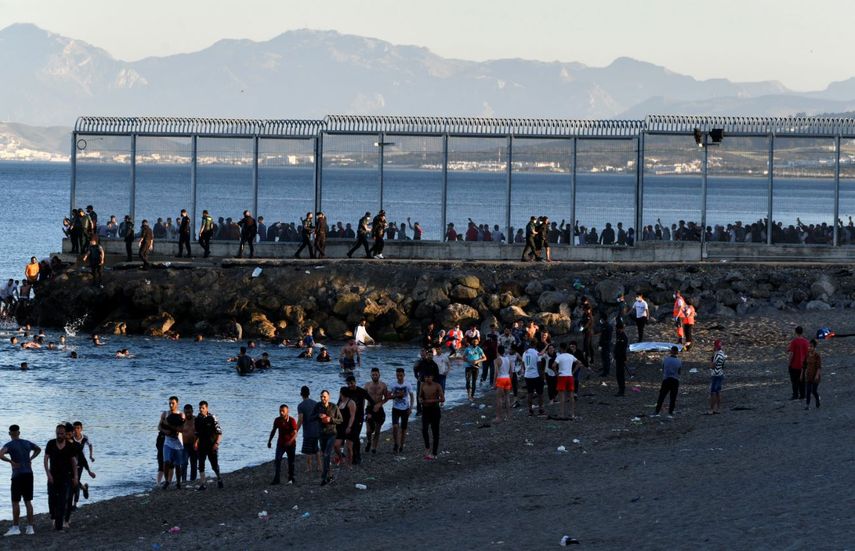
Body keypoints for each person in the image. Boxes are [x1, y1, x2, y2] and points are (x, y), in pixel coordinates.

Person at [0, 425, 41, 536]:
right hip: (28, 474)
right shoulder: (27, 443)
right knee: (28, 501)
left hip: (17, 475)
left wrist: (11, 462)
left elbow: (0, 454)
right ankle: (30, 527)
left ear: (10, 434)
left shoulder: (9, 445)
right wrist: (31, 458)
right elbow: (38, 449)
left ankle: (16, 527)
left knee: (15, 502)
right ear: (19, 432)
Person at [44, 424, 78, 530]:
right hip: (52, 475)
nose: (59, 435)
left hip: (65, 476)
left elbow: (73, 462)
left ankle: (59, 525)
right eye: (58, 433)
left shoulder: (69, 446)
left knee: (63, 500)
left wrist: (75, 476)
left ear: (65, 434)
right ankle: (53, 517)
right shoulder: (51, 444)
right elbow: (45, 459)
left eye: (62, 433)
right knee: (52, 498)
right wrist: (48, 474)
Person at [342, 375, 375, 465]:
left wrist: (369, 412)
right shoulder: (346, 391)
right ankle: (352, 456)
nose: (350, 385)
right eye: (348, 384)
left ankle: (358, 456)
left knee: (355, 436)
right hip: (348, 418)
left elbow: (372, 402)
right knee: (350, 437)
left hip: (359, 417)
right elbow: (340, 402)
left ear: (355, 382)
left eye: (351, 383)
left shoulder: (362, 391)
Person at [315, 390, 342, 486]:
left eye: (324, 396)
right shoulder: (318, 406)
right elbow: (311, 417)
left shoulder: (334, 407)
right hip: (321, 434)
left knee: (326, 454)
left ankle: (324, 477)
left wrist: (330, 419)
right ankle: (330, 475)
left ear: (328, 397)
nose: (323, 398)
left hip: (332, 433)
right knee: (324, 455)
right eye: (321, 396)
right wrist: (318, 416)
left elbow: (340, 420)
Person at [194, 400, 223, 490]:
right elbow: (197, 433)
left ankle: (219, 478)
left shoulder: (212, 417)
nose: (201, 410)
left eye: (203, 408)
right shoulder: (197, 419)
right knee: (201, 464)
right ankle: (203, 484)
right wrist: (195, 442)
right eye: (200, 408)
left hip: (212, 445)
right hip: (202, 445)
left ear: (207, 408)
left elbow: (220, 433)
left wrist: (217, 443)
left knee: (214, 465)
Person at [268, 404, 299, 485]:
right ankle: (277, 479)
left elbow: (296, 433)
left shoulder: (292, 420)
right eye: (280, 411)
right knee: (277, 460)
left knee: (291, 462)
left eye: (283, 411)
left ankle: (291, 478)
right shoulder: (277, 420)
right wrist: (269, 441)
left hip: (291, 444)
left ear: (287, 411)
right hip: (281, 444)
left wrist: (290, 441)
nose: (281, 413)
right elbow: (273, 430)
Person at [158, 397, 185, 489]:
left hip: (178, 444)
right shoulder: (165, 414)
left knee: (178, 465)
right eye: (169, 403)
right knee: (166, 462)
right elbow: (159, 426)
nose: (171, 405)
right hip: (168, 443)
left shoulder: (181, 415)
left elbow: (182, 429)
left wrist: (170, 426)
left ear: (177, 403)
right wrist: (165, 431)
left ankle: (178, 482)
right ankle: (167, 481)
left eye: (173, 403)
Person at [418, 372, 445, 460]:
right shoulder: (422, 385)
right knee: (424, 429)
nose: (427, 379)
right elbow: (420, 396)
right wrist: (421, 399)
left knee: (435, 432)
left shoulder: (437, 385)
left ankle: (434, 453)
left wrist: (431, 401)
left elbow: (442, 399)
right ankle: (427, 447)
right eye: (426, 377)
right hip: (425, 410)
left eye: (429, 376)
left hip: (435, 410)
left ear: (432, 377)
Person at [296, 386, 321, 475]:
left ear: (301, 394)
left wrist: (296, 430)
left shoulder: (301, 406)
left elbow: (300, 420)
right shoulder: (315, 403)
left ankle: (309, 467)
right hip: (317, 430)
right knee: (316, 449)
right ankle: (319, 466)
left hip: (308, 431)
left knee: (308, 450)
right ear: (309, 393)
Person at [70, 421, 95, 509]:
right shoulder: (71, 438)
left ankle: (74, 504)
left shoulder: (85, 438)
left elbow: (90, 445)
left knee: (76, 482)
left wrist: (91, 456)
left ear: (81, 429)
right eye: (74, 428)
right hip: (71, 461)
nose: (76, 430)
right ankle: (84, 488)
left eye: (78, 428)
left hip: (81, 461)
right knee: (71, 480)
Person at [364, 368, 389, 453]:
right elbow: (362, 398)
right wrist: (362, 409)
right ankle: (369, 441)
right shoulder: (367, 385)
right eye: (373, 374)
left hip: (379, 409)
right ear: (370, 375)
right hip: (369, 408)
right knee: (368, 431)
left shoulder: (383, 385)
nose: (374, 376)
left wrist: (380, 404)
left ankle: (374, 447)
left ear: (379, 375)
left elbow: (386, 398)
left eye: (376, 374)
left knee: (377, 430)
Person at [390, 368, 414, 454]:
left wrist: (411, 408)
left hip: (405, 409)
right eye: (397, 375)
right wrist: (396, 395)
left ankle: (401, 445)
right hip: (395, 408)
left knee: (404, 429)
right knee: (395, 427)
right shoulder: (393, 384)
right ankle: (396, 443)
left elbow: (411, 396)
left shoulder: (408, 384)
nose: (399, 377)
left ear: (404, 375)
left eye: (401, 375)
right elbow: (389, 396)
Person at [654, 346, 682, 417]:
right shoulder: (679, 361)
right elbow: (679, 372)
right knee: (673, 398)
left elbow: (663, 369)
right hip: (675, 380)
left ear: (671, 351)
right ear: (677, 352)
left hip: (666, 380)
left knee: (661, 396)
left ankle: (657, 411)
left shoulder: (665, 360)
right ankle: (670, 412)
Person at [334, 389, 357, 467]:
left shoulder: (351, 402)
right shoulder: (340, 402)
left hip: (349, 427)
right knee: (336, 445)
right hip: (339, 427)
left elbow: (352, 416)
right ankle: (341, 458)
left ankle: (349, 464)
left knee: (349, 447)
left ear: (342, 393)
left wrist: (349, 426)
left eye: (340, 393)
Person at [554, 342, 577, 420]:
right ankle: (572, 414)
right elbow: (579, 363)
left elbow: (553, 365)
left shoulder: (559, 357)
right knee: (571, 395)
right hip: (569, 376)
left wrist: (556, 373)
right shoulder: (571, 356)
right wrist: (573, 372)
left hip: (562, 376)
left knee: (562, 396)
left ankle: (562, 414)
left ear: (561, 348)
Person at [787, 326, 809, 400]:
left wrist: (789, 363)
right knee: (802, 381)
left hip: (794, 365)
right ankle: (803, 394)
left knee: (794, 381)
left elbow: (791, 353)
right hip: (803, 365)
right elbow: (807, 354)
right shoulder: (806, 342)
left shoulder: (794, 342)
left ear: (796, 332)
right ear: (802, 332)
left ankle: (795, 395)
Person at [523, 343, 545, 416]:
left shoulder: (524, 353)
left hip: (527, 375)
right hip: (536, 375)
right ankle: (541, 409)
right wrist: (542, 376)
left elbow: (523, 364)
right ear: (535, 345)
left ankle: (530, 410)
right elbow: (539, 365)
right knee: (540, 393)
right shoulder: (536, 353)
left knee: (530, 393)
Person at [493, 345, 513, 423]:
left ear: (497, 351)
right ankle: (508, 416)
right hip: (507, 378)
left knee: (499, 399)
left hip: (501, 379)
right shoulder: (508, 359)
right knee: (507, 398)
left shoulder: (497, 360)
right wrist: (510, 379)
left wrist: (494, 383)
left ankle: (499, 417)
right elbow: (511, 372)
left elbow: (496, 372)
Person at [180, 405, 197, 483]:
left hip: (194, 445)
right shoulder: (182, 421)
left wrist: (197, 442)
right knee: (184, 463)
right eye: (186, 412)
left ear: (192, 411)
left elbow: (200, 433)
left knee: (194, 464)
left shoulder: (196, 420)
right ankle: (183, 480)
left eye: (189, 412)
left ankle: (193, 480)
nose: (188, 414)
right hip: (185, 445)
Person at [803, 339, 822, 410]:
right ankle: (807, 405)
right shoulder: (807, 354)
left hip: (815, 376)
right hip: (808, 375)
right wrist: (802, 374)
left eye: (811, 346)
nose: (809, 348)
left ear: (814, 347)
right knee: (808, 391)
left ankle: (817, 399)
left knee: (813, 391)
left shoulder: (817, 355)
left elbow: (819, 367)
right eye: (809, 346)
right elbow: (804, 365)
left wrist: (817, 375)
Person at [709, 340, 726, 414]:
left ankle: (712, 409)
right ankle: (718, 408)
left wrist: (711, 360)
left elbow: (712, 366)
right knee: (718, 392)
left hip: (715, 375)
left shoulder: (717, 354)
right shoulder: (723, 354)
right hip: (720, 373)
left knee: (713, 392)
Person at [614, 322, 629, 397]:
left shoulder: (623, 337)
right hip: (618, 357)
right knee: (618, 374)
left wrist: (624, 358)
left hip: (621, 358)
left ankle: (622, 390)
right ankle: (620, 389)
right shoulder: (619, 335)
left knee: (620, 374)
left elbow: (623, 349)